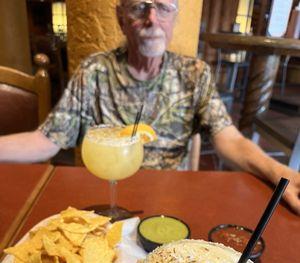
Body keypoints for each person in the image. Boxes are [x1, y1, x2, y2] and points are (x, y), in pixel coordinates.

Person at [0, 0, 300, 214]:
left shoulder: (194, 74)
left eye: (163, 7)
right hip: (103, 197)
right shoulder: (95, 71)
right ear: (121, 17)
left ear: (174, 18)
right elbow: (46, 140)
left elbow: (229, 139)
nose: (152, 19)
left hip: (169, 201)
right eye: (139, 7)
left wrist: (278, 172)